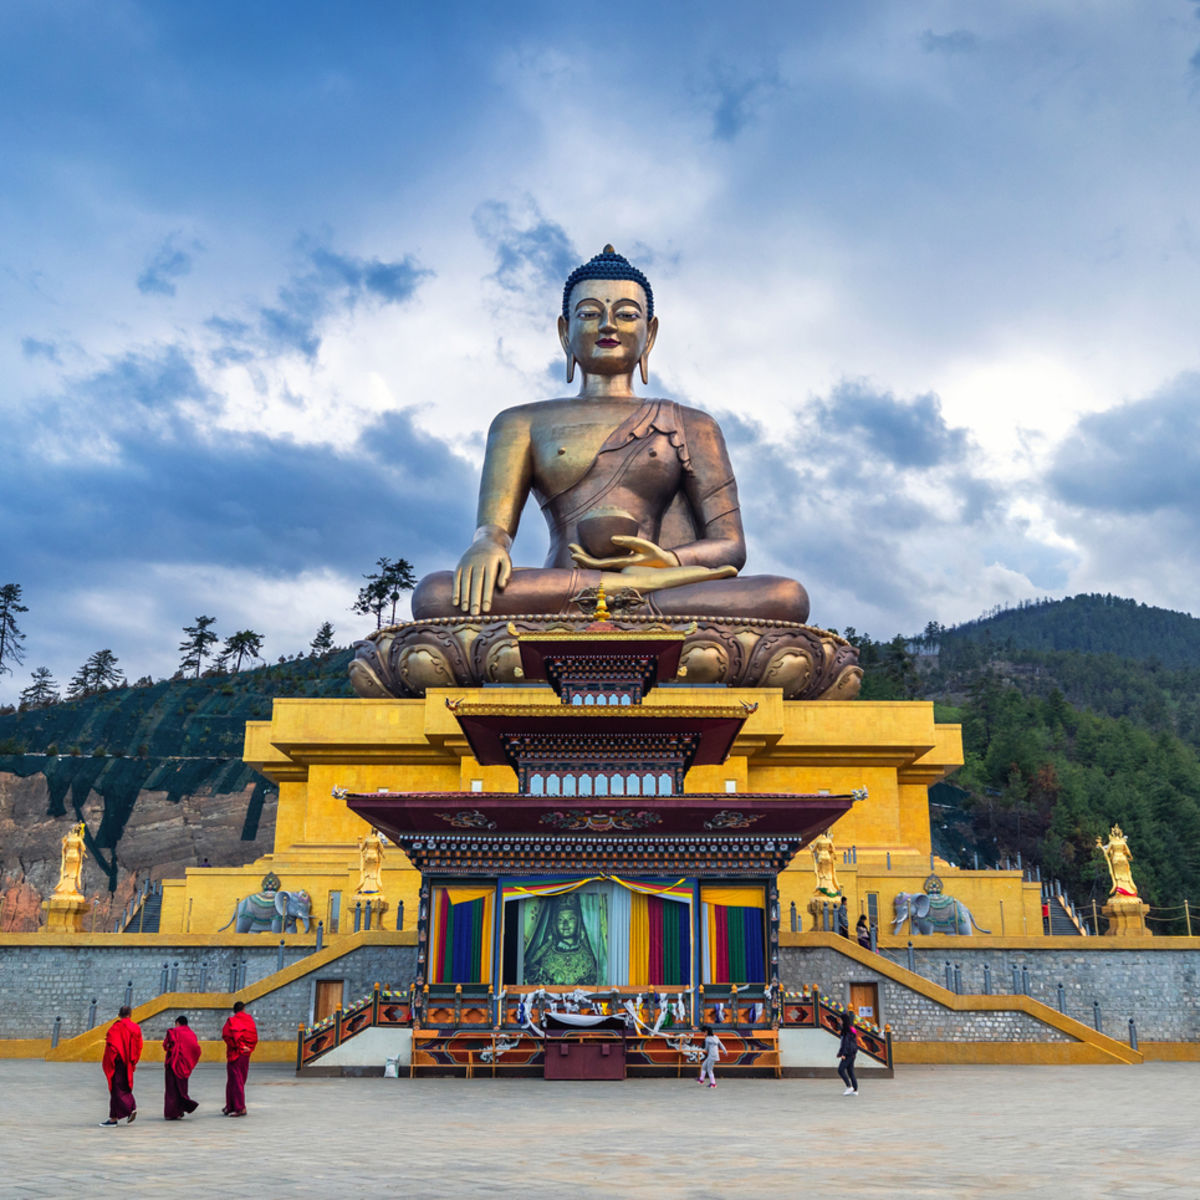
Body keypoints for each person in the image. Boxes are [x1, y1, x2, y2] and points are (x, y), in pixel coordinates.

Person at [412, 246, 809, 624]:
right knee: (436, 594)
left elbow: (730, 546)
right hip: (566, 584)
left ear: (649, 334)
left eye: (626, 314)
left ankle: (620, 592)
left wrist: (664, 565)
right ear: (564, 332)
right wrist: (486, 545)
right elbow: (493, 530)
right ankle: (616, 593)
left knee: (786, 596)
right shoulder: (520, 422)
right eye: (588, 314)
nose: (607, 325)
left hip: (660, 587)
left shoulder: (693, 424)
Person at [99, 1004, 142, 1126]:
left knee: (116, 1089)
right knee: (124, 1087)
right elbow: (138, 1046)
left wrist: (109, 1063)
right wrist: (133, 1060)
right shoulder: (135, 1027)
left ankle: (130, 1107)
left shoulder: (114, 1028)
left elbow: (111, 1048)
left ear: (119, 1015)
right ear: (130, 1015)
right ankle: (113, 1118)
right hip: (128, 1062)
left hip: (117, 1063)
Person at [221, 1000, 258, 1117]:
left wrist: (239, 1046)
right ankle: (231, 1106)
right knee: (238, 1081)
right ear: (243, 1009)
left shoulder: (232, 1021)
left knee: (234, 1081)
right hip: (245, 1054)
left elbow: (227, 1035)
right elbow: (254, 1036)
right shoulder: (249, 1020)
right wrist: (249, 1048)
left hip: (235, 1054)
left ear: (234, 1010)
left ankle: (240, 1108)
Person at [162, 1015, 201, 1120]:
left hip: (173, 1064)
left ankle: (171, 1113)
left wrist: (172, 1050)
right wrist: (189, 1061)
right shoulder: (191, 1034)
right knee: (181, 1088)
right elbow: (196, 1049)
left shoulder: (173, 1032)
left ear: (177, 1023)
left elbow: (166, 1045)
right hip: (184, 1065)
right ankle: (179, 1111)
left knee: (171, 1089)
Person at [837, 1008, 859, 1096]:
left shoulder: (847, 1031)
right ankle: (855, 1089)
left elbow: (846, 1044)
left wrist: (844, 1054)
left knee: (840, 1070)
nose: (839, 1022)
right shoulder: (848, 1030)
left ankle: (849, 1086)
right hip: (852, 1053)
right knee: (850, 1071)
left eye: (841, 1020)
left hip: (848, 1054)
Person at [698, 1024, 724, 1089]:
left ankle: (713, 1083)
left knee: (709, 1069)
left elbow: (706, 1048)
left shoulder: (707, 1039)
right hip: (714, 1055)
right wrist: (725, 1051)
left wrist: (702, 1049)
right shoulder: (716, 1037)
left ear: (706, 1032)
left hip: (711, 1056)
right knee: (704, 1065)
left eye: (703, 1032)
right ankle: (701, 1079)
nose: (702, 1034)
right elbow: (721, 1044)